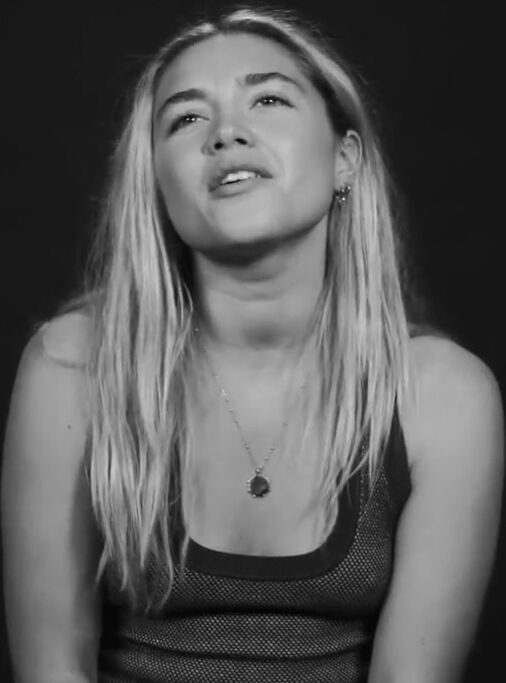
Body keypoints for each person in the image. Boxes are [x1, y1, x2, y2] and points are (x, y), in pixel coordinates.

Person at [1, 6, 503, 683]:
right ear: (156, 183)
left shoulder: (444, 397)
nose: (226, 133)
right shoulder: (70, 368)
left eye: (267, 100)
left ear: (345, 160)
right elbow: (50, 668)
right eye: (186, 118)